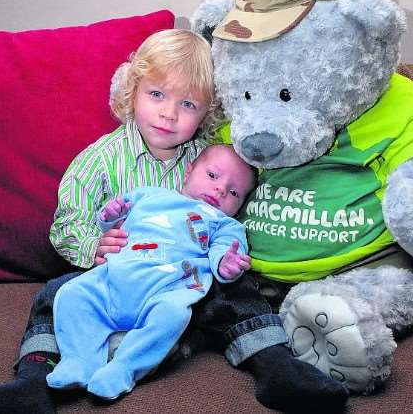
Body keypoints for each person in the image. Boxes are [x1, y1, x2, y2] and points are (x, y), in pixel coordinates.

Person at [0, 28, 220, 414]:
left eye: (188, 104)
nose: (169, 113)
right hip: (110, 279)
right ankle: (35, 376)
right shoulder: (103, 157)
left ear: (207, 113)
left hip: (174, 283)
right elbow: (66, 220)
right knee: (56, 293)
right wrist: (92, 243)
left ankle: (265, 354)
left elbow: (225, 213)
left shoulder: (208, 162)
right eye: (157, 95)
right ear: (132, 90)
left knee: (231, 294)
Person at [46, 144, 256, 400]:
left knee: (174, 315)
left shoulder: (226, 225)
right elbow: (115, 221)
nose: (220, 189)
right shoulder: (150, 196)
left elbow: (224, 254)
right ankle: (79, 360)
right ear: (188, 171)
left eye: (234, 192)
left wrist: (227, 264)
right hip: (114, 280)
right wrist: (110, 215)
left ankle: (124, 369)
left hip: (166, 291)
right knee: (72, 294)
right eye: (212, 176)